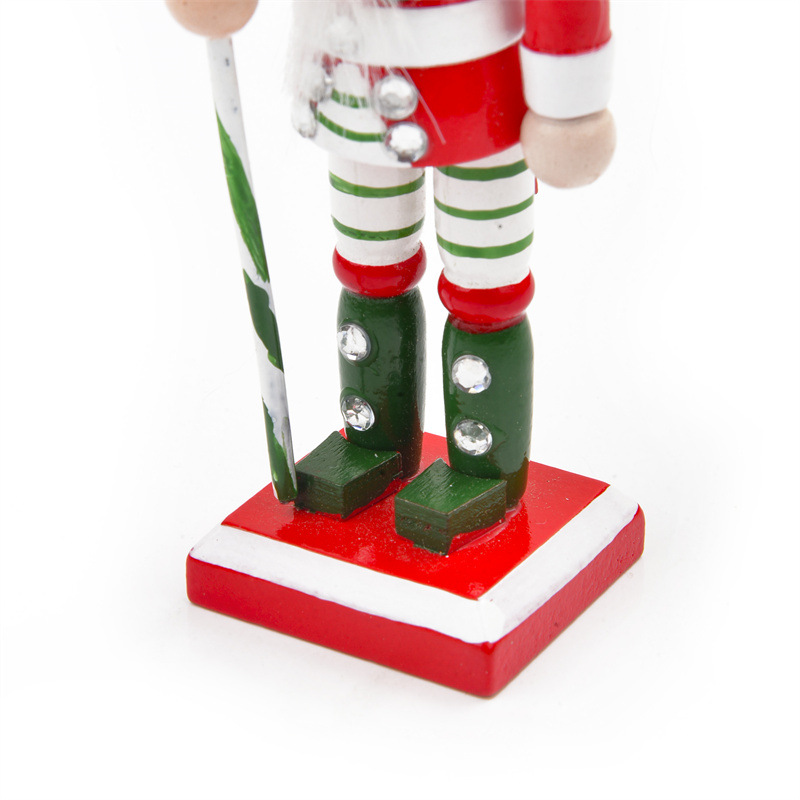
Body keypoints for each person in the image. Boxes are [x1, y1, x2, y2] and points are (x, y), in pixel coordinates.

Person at [167, 0, 616, 549]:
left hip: (481, 87)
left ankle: (485, 466)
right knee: (368, 259)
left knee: (486, 280)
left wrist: (569, 107)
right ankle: (375, 436)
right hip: (353, 73)